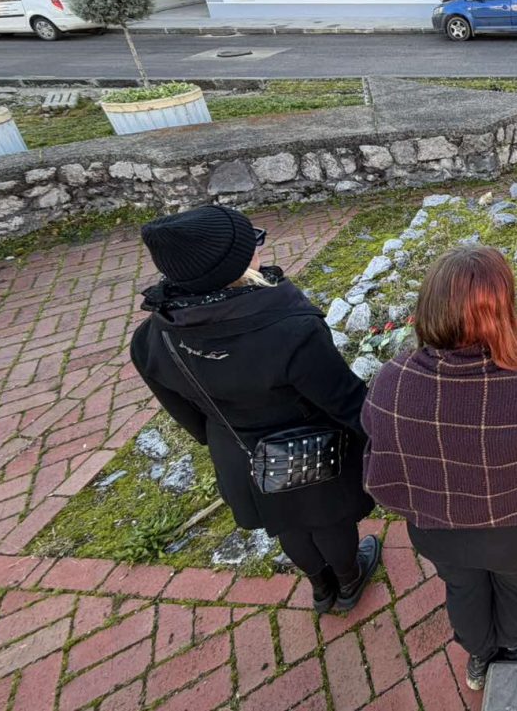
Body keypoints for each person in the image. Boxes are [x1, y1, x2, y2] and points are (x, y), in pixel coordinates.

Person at [362, 247, 517, 692]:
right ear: (504, 313)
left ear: (429, 308)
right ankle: (513, 648)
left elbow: (379, 458)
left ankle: (479, 655)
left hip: (440, 529)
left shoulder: (392, 382)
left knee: (462, 589)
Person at [129, 206, 380, 615]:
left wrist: (230, 436)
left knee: (286, 523)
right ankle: (349, 580)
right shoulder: (289, 328)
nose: (258, 247)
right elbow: (346, 401)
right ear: (234, 263)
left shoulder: (152, 338)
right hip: (310, 447)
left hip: (239, 451)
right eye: (252, 242)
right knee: (328, 520)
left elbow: (189, 418)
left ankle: (320, 589)